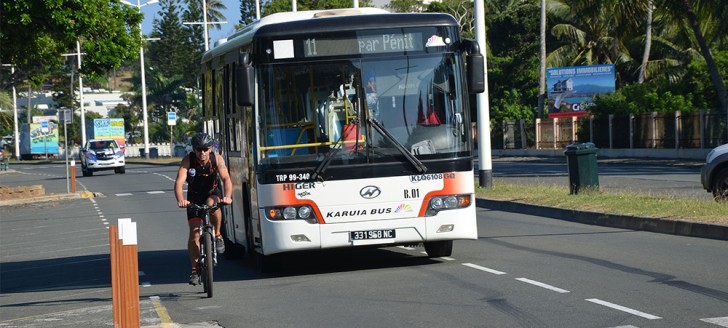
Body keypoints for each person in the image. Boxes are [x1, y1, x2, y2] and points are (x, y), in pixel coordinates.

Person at [174, 132, 232, 286]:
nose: (202, 153)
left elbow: (226, 179)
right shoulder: (188, 160)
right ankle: (194, 270)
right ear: (194, 149)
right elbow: (179, 182)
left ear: (210, 149)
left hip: (212, 193)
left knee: (213, 204)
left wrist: (227, 196)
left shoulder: (216, 159)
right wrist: (181, 200)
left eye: (205, 149)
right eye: (199, 149)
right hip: (194, 197)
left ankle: (218, 235)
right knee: (194, 234)